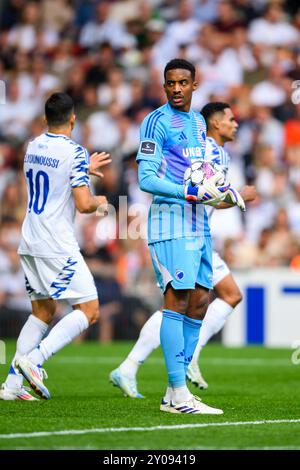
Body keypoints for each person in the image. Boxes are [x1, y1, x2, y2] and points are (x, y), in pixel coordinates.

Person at [111, 58, 243, 415]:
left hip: (199, 222)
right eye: (171, 83)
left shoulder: (199, 122)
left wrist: (222, 191)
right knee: (177, 300)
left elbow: (201, 174)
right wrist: (189, 191)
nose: (177, 89)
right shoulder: (154, 122)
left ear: (194, 85)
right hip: (171, 223)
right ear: (164, 85)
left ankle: (176, 390)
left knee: (200, 300)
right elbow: (147, 179)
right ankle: (179, 392)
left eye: (183, 83)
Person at [0, 92, 111, 401]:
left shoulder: (32, 146)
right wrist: (101, 201)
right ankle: (34, 361)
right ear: (73, 119)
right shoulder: (74, 152)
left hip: (29, 239)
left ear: (45, 119)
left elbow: (52, 175)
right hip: (55, 242)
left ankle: (11, 386)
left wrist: (83, 168)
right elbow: (84, 204)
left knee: (43, 310)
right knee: (89, 310)